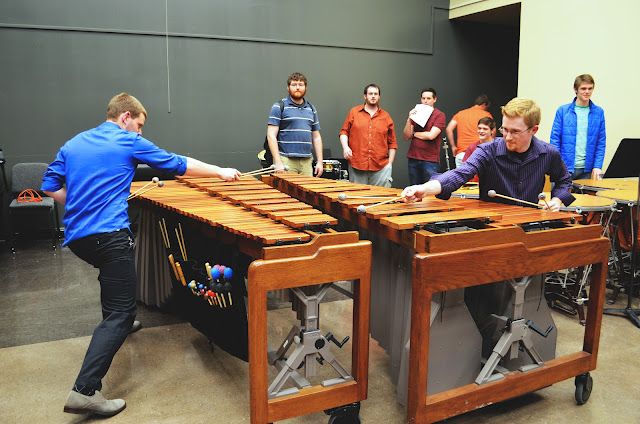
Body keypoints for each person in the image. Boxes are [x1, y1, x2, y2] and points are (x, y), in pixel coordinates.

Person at [41, 93, 241, 417]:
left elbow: (49, 186)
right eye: (139, 125)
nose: (140, 132)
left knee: (111, 277)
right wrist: (220, 171)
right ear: (125, 117)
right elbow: (177, 164)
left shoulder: (74, 143)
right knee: (121, 311)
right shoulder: (127, 140)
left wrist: (81, 207)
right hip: (109, 237)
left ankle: (118, 321)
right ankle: (84, 390)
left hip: (79, 238)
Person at [402, 98, 575, 212]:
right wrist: (424, 189)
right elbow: (460, 173)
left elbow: (564, 179)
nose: (507, 137)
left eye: (515, 131)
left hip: (529, 225)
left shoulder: (548, 153)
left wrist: (557, 200)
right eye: (504, 129)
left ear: (533, 130)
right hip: (491, 225)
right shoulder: (487, 150)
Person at [550, 74, 606, 180]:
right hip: (564, 168)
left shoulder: (599, 112)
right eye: (583, 88)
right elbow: (555, 140)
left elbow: (601, 142)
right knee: (559, 191)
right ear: (576, 89)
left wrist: (597, 166)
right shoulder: (562, 111)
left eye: (590, 88)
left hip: (587, 170)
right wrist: (557, 164)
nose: (587, 92)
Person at [339, 84, 397, 187]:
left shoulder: (386, 117)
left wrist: (389, 165)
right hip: (357, 165)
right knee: (357, 196)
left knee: (379, 196)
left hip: (381, 168)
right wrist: (345, 148)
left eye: (376, 94)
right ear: (365, 96)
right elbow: (344, 132)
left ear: (379, 96)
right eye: (370, 94)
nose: (373, 96)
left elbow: (392, 143)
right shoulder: (354, 112)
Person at [267, 72, 323, 177]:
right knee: (286, 188)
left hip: (307, 162)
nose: (297, 87)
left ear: (305, 88)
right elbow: (271, 135)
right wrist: (278, 162)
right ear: (288, 88)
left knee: (307, 188)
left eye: (301, 85)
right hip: (285, 160)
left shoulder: (311, 109)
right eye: (294, 84)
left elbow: (316, 137)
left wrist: (320, 161)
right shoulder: (279, 106)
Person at [402, 88, 446, 185]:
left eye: (428, 98)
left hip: (430, 160)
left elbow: (431, 135)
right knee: (414, 189)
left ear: (434, 99)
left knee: (430, 189)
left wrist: (414, 134)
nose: (425, 101)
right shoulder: (416, 113)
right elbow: (407, 136)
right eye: (423, 98)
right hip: (414, 157)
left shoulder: (439, 115)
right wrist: (409, 119)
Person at [446, 94, 493, 167]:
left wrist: (453, 147)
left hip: (461, 154)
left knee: (462, 174)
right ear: (484, 105)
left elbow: (449, 129)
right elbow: (492, 131)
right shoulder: (486, 115)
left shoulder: (460, 114)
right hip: (478, 152)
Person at [461, 117, 496, 183]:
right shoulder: (471, 147)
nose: (481, 131)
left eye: (485, 129)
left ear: (492, 131)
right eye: (479, 128)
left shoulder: (498, 146)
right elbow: (465, 169)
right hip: (475, 185)